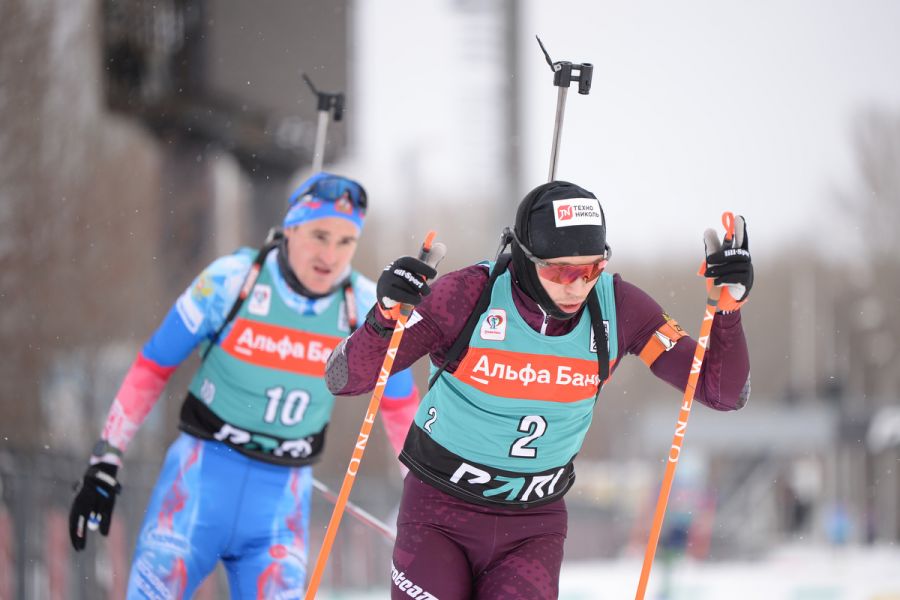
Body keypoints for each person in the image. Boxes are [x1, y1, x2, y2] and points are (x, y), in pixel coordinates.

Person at [325, 180, 752, 599]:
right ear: (525, 258)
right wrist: (384, 316)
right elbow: (345, 379)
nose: (577, 286)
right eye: (561, 270)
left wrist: (728, 310)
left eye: (592, 268)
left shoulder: (617, 307)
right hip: (440, 512)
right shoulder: (468, 296)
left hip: (531, 527)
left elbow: (723, 392)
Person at [68, 172, 420, 598]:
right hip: (195, 487)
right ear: (291, 228)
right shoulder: (231, 281)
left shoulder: (367, 309)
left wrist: (422, 503)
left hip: (279, 511)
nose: (330, 255)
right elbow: (153, 366)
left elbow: (399, 406)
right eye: (319, 235)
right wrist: (105, 461)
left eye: (346, 241)